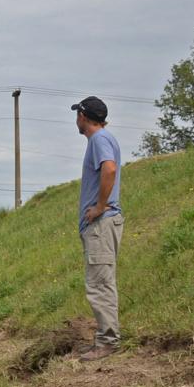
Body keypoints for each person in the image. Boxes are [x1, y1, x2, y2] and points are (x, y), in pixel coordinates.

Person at [71, 96, 124, 362]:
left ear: (83, 116)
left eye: (77, 114)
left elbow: (110, 169)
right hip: (103, 224)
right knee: (103, 282)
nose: (76, 120)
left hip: (102, 224)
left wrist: (100, 206)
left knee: (99, 284)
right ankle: (107, 338)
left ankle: (107, 343)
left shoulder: (99, 139)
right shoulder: (104, 139)